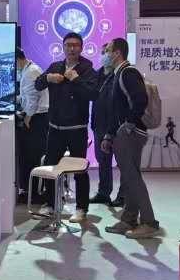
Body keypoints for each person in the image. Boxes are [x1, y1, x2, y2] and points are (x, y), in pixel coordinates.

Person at [99, 38, 161, 239]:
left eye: (107, 50)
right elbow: (116, 110)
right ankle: (129, 219)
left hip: (131, 134)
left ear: (117, 53)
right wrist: (109, 135)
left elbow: (140, 99)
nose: (105, 54)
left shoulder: (128, 72)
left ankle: (149, 222)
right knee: (129, 176)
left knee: (132, 178)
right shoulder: (118, 73)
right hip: (125, 133)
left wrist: (128, 125)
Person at [34, 33, 96, 224]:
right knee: (51, 167)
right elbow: (37, 85)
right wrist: (47, 78)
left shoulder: (88, 69)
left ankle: (81, 208)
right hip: (55, 128)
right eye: (68, 45)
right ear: (63, 47)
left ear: (81, 48)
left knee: (79, 169)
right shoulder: (55, 67)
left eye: (75, 45)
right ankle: (51, 204)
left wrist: (76, 79)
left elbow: (93, 94)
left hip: (77, 128)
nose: (71, 48)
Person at [16, 49, 49, 203]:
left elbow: (33, 98)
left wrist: (28, 117)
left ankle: (34, 193)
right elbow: (26, 95)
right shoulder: (27, 70)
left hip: (37, 118)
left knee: (33, 157)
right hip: (35, 116)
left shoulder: (31, 71)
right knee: (29, 156)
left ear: (18, 59)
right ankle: (30, 191)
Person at [89, 49, 120, 207]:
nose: (104, 55)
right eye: (103, 52)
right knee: (103, 161)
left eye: (107, 51)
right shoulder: (97, 74)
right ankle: (103, 193)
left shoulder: (120, 74)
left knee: (123, 163)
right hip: (99, 125)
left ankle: (123, 196)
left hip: (117, 127)